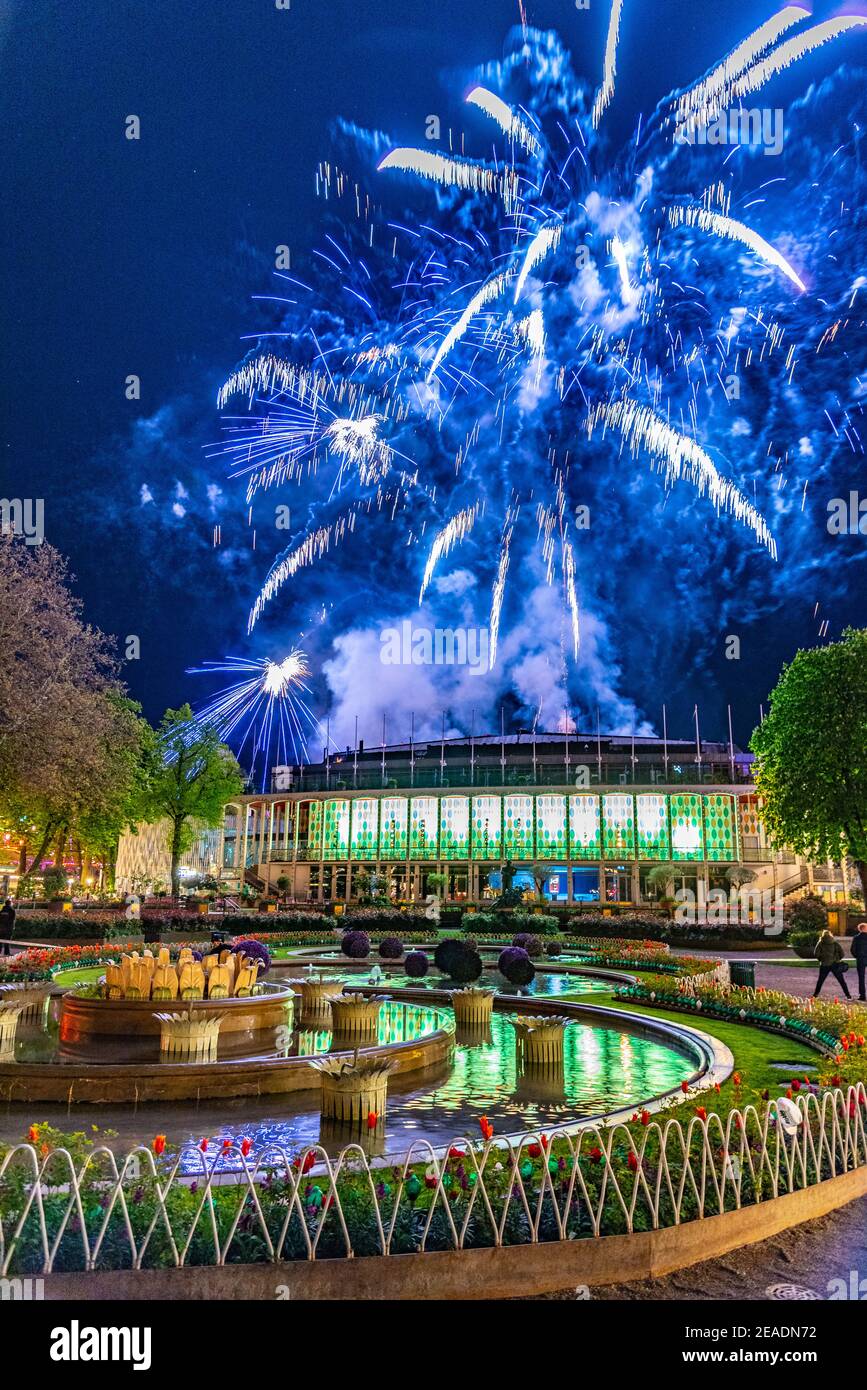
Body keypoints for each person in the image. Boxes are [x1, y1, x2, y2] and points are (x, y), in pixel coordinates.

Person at [813, 927, 851, 999]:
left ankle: (815, 995)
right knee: (841, 981)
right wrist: (837, 959)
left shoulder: (820, 943)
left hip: (824, 964)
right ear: (830, 935)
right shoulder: (835, 943)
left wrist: (821, 959)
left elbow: (816, 954)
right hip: (835, 964)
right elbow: (842, 953)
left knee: (820, 981)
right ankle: (848, 995)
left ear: (823, 935)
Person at [851, 921, 867, 1003]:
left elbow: (852, 950)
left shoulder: (856, 938)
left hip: (860, 959)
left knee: (861, 978)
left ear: (860, 929)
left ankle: (862, 996)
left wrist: (857, 956)